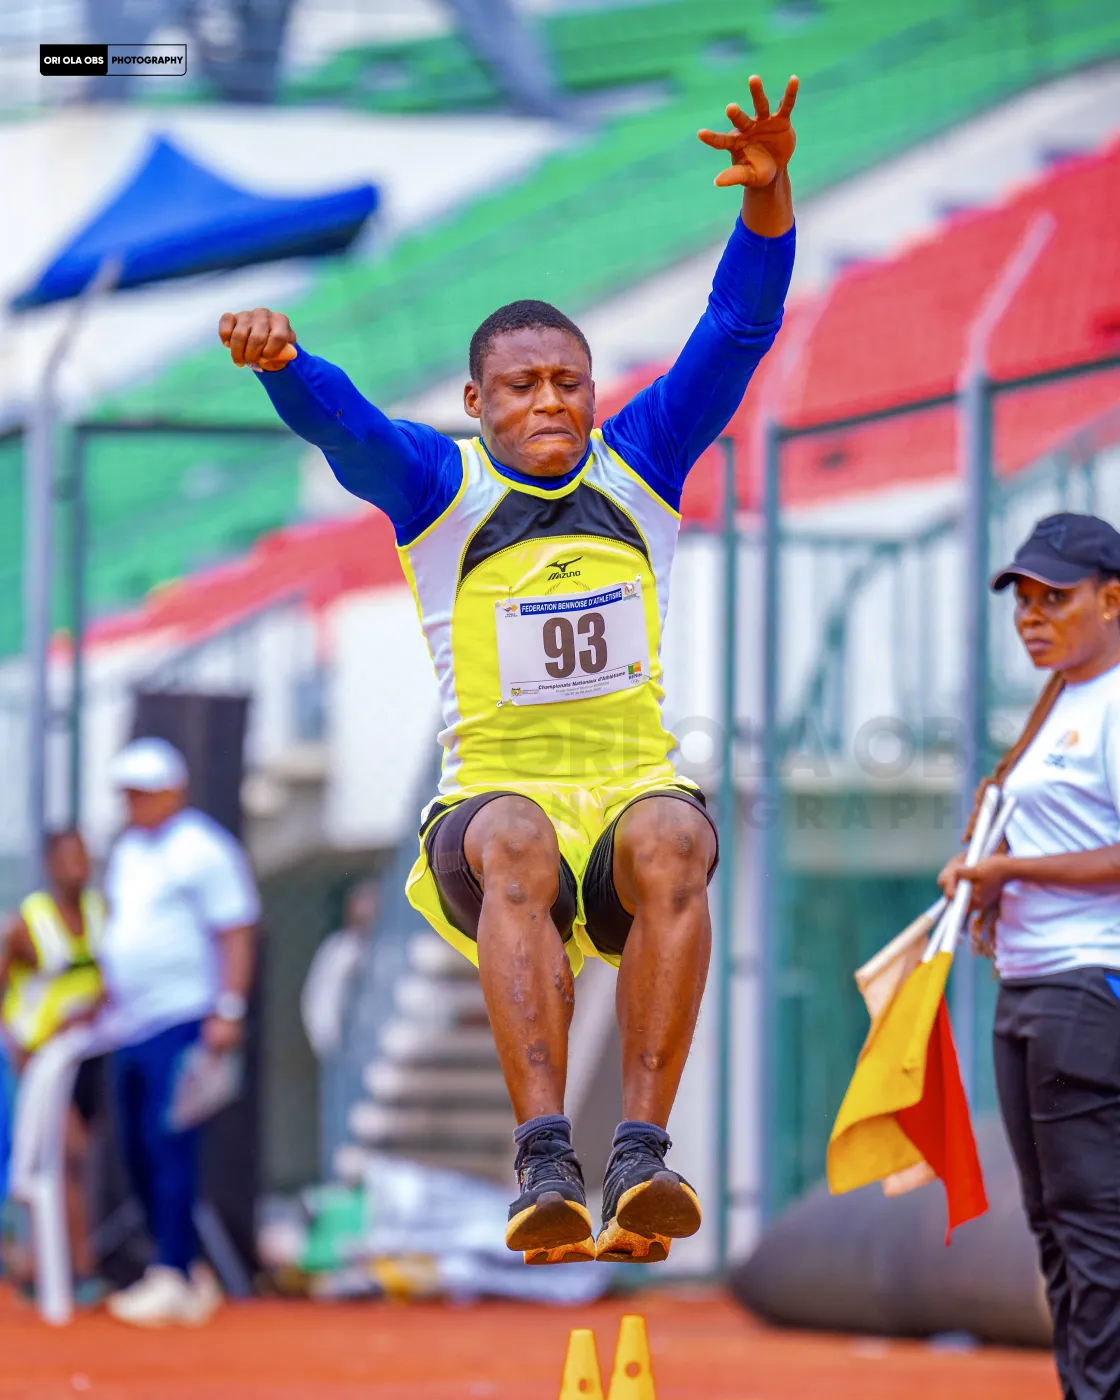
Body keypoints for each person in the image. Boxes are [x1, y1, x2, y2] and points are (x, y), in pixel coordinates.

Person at [220, 75, 798, 1265]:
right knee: (519, 837)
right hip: (490, 809)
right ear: (476, 400)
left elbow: (735, 332)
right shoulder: (441, 488)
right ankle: (543, 1155)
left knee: (677, 835)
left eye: (568, 383)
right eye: (523, 387)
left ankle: (639, 1154)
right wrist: (286, 364)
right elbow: (348, 429)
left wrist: (766, 204)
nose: (550, 403)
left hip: (626, 792)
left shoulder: (642, 463)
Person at [939, 513, 1120, 1400]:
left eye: (1056, 597)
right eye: (1022, 599)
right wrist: (987, 879)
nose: (1032, 616)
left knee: (1092, 1225)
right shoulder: (1063, 700)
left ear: (1112, 600)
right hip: (1029, 983)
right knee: (1052, 1223)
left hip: (1085, 986)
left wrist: (1009, 869)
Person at [97, 738, 260, 1326]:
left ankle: (173, 1269)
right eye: (127, 793)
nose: (133, 803)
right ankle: (181, 1270)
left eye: (143, 792)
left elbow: (235, 930)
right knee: (136, 1150)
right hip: (129, 1025)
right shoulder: (127, 852)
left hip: (183, 1019)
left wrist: (228, 1009)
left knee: (168, 1147)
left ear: (174, 791)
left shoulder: (203, 848)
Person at [0, 829, 107, 1303]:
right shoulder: (27, 924)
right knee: (64, 1154)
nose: (76, 866)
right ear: (50, 864)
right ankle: (74, 1268)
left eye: (81, 855)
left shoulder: (102, 915)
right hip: (40, 1061)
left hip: (89, 1058)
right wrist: (20, 1048)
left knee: (70, 1161)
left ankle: (36, 1261)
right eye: (66, 857)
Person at [300, 880, 380, 1062]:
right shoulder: (340, 951)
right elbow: (322, 1007)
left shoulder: (390, 951)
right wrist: (335, 1050)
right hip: (348, 1055)